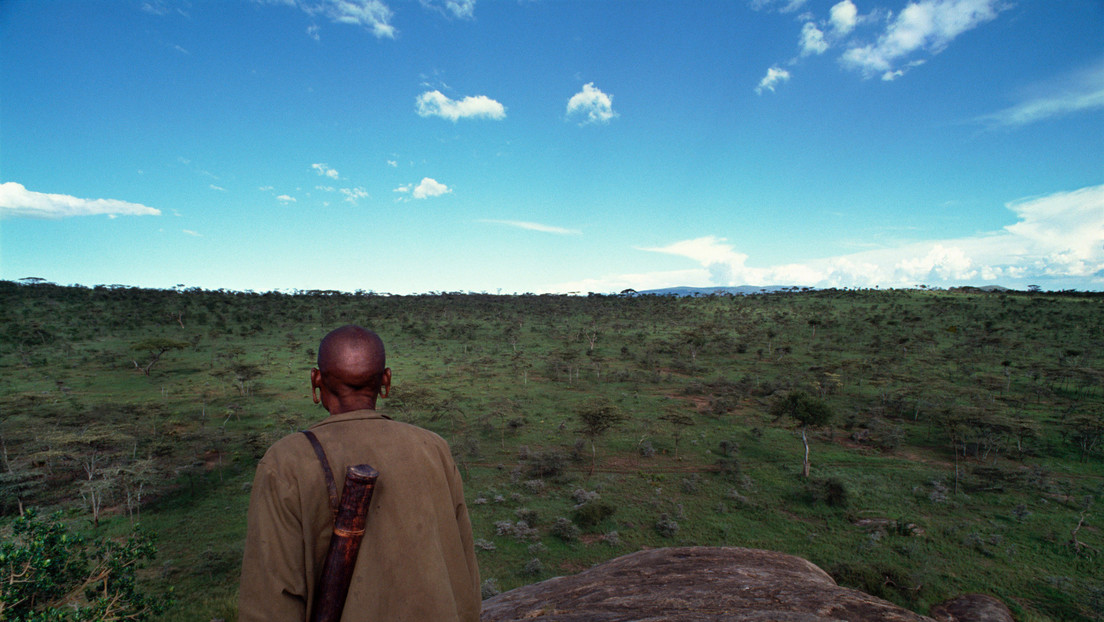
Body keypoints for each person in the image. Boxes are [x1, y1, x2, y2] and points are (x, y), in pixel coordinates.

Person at [238, 325, 481, 621]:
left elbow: (270, 601)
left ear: (316, 380)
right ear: (386, 381)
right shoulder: (434, 448)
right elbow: (465, 573)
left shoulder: (285, 461)